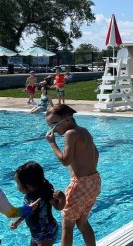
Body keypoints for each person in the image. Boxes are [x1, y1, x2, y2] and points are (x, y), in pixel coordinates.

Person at [45, 104, 100, 246]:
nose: (53, 129)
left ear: (68, 120)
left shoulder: (70, 134)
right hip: (94, 181)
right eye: (50, 126)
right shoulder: (84, 131)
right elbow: (96, 153)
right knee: (82, 222)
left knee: (67, 226)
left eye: (54, 125)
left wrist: (52, 144)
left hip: (80, 184)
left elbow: (65, 160)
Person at [10, 161, 66, 246]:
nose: (17, 187)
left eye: (18, 183)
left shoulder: (45, 194)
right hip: (35, 233)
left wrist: (62, 198)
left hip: (47, 232)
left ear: (28, 185)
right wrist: (18, 221)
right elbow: (27, 211)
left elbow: (59, 207)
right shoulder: (28, 196)